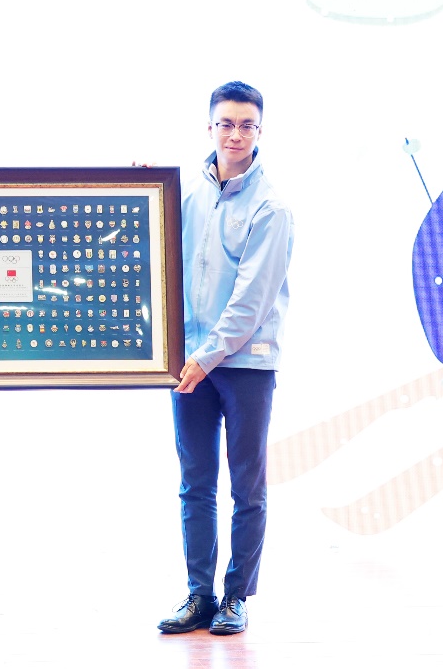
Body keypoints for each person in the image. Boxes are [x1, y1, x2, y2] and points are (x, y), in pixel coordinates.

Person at [157, 81, 294, 636]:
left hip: (244, 366)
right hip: (190, 363)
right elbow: (154, 251)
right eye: (226, 123)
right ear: (210, 127)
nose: (236, 134)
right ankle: (199, 595)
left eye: (246, 125)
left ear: (260, 131)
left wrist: (207, 355)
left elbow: (251, 299)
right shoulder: (186, 195)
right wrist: (140, 187)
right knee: (195, 483)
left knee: (247, 486)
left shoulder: (271, 207)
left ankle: (236, 597)